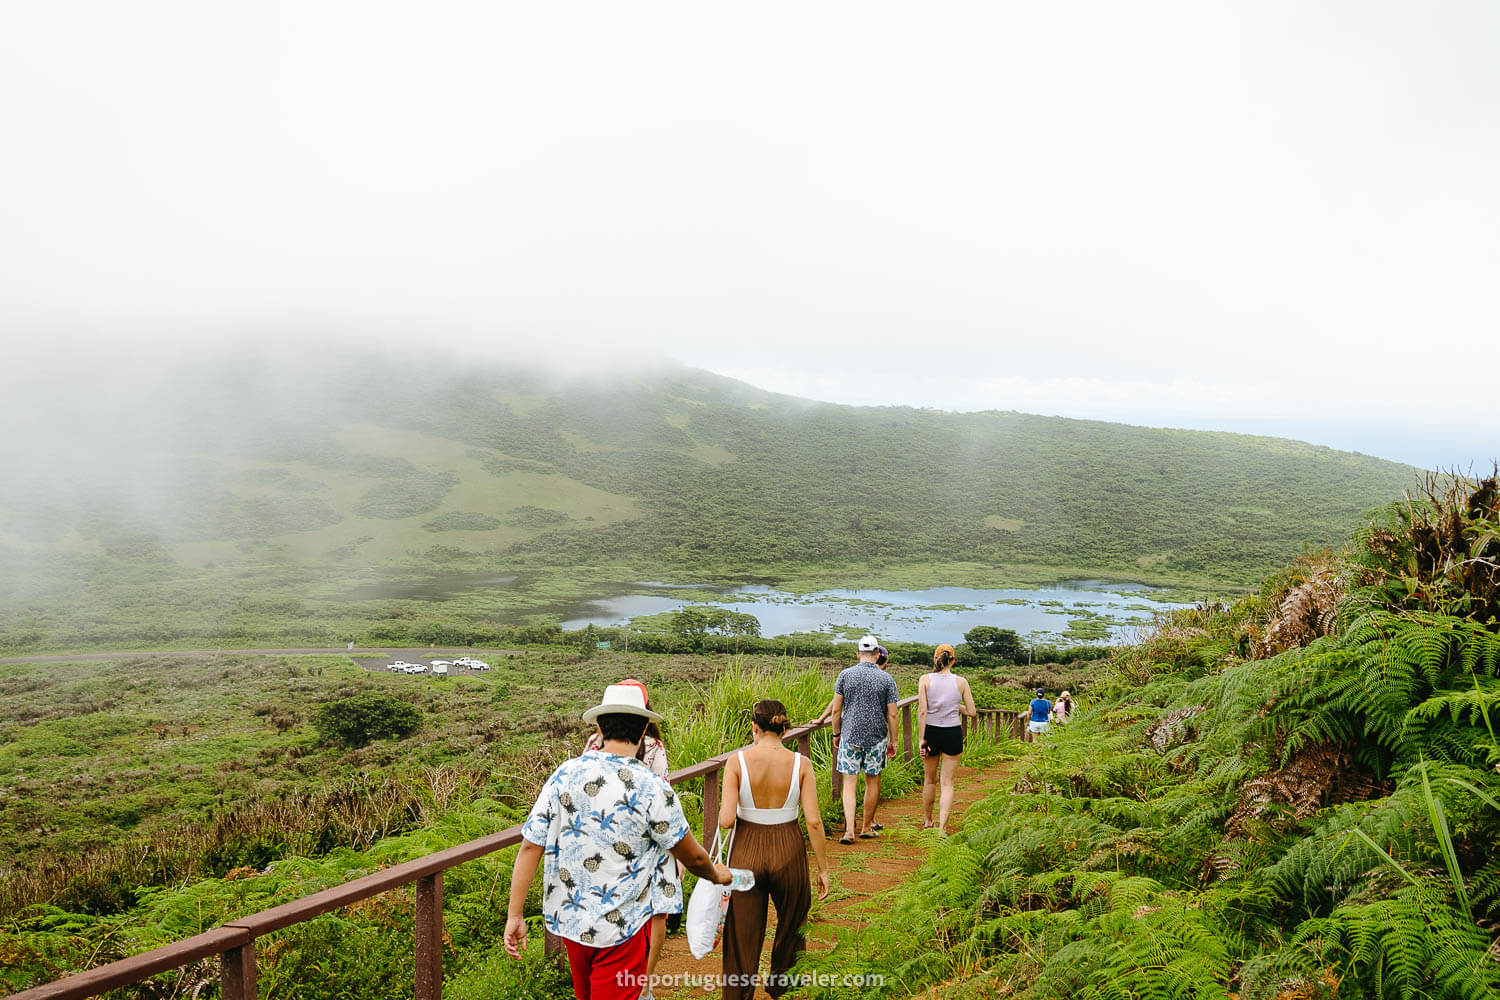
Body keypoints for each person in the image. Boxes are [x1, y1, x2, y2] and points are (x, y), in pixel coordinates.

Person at [506, 684, 731, 1000]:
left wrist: (515, 914)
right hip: (621, 930)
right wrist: (717, 875)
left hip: (570, 923)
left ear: (599, 727)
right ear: (642, 730)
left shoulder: (564, 773)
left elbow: (531, 845)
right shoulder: (652, 787)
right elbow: (691, 856)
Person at [717, 699, 831, 1000]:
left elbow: (727, 820)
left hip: (746, 851)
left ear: (755, 727)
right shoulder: (801, 764)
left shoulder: (736, 762)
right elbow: (814, 821)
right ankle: (782, 985)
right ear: (783, 729)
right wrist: (823, 869)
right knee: (793, 922)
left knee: (742, 933)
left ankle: (739, 994)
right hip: (788, 848)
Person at [581, 679, 677, 987]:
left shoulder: (594, 743)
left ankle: (607, 976)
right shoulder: (653, 747)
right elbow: (663, 792)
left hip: (601, 837)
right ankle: (643, 984)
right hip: (646, 838)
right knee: (656, 911)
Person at [829, 635, 899, 843]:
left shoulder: (845, 675)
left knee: (849, 784)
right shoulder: (886, 679)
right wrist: (893, 741)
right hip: (876, 738)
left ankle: (849, 830)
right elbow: (893, 714)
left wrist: (836, 733)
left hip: (849, 735)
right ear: (877, 655)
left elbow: (836, 709)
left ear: (858, 654)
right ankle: (866, 826)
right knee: (872, 780)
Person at [917, 644, 977, 831]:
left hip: (931, 732)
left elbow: (922, 711)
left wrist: (921, 739)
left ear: (935, 659)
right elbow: (972, 712)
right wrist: (956, 707)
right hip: (952, 732)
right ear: (953, 660)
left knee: (929, 779)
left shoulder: (925, 679)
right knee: (948, 783)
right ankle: (942, 827)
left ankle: (928, 821)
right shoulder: (961, 682)